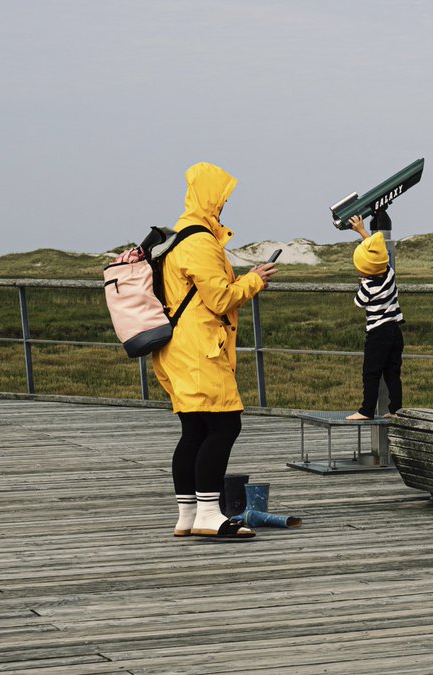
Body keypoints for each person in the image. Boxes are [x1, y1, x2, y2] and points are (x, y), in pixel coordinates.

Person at [151, 162, 277, 540]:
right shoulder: (201, 241)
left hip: (178, 349)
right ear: (211, 200)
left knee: (194, 429)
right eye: (222, 199)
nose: (224, 206)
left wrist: (242, 278)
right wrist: (254, 282)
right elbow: (220, 299)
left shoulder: (178, 239)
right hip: (200, 349)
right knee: (224, 425)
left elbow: (202, 294)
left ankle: (187, 515)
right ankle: (209, 514)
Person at [345, 214, 405, 421]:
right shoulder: (389, 273)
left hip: (378, 333)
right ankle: (396, 409)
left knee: (371, 372)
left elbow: (357, 303)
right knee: (392, 372)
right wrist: (362, 231)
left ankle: (366, 410)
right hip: (395, 330)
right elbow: (377, 253)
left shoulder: (368, 286)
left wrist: (362, 283)